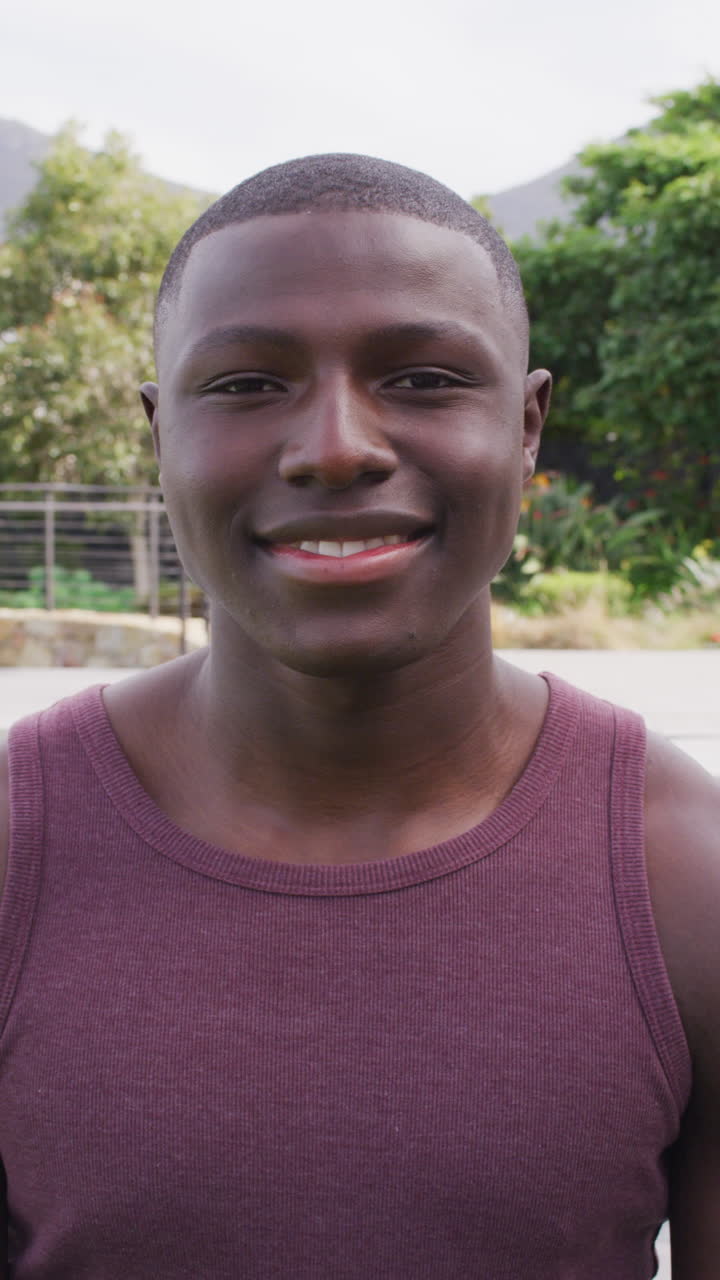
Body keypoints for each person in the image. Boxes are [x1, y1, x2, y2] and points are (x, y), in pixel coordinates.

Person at [0, 153, 717, 1279]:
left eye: (425, 377)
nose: (336, 445)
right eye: (245, 384)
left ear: (528, 426)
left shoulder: (688, 873)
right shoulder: (14, 846)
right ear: (157, 435)